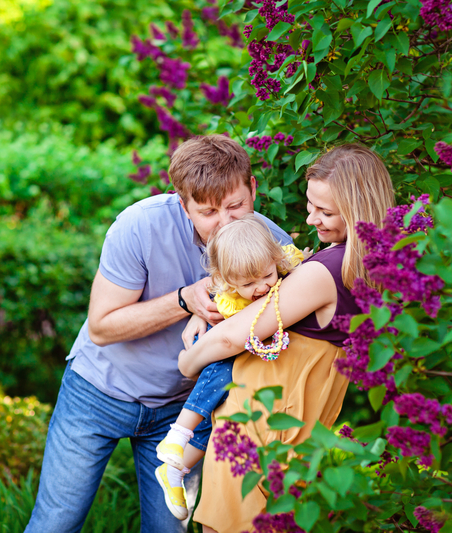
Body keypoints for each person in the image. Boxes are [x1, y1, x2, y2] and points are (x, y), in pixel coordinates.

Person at [23, 134, 292, 533]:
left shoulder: (272, 244)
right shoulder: (139, 225)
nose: (225, 223)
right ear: (184, 206)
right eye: (208, 212)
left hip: (181, 412)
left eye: (236, 206)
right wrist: (185, 300)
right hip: (98, 392)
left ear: (253, 189)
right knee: (55, 523)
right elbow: (101, 327)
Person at [177, 144, 396, 533]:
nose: (311, 218)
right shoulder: (366, 268)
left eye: (325, 211)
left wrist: (187, 363)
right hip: (297, 428)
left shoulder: (326, 271)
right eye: (311, 205)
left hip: (260, 427)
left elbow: (232, 337)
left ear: (356, 211)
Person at [155, 216, 305, 520]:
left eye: (267, 276)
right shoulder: (228, 298)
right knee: (221, 371)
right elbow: (225, 333)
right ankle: (177, 434)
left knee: (213, 421)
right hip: (226, 354)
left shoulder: (286, 267)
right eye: (247, 284)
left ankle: (174, 470)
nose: (261, 287)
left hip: (256, 366)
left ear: (275, 259)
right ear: (228, 280)